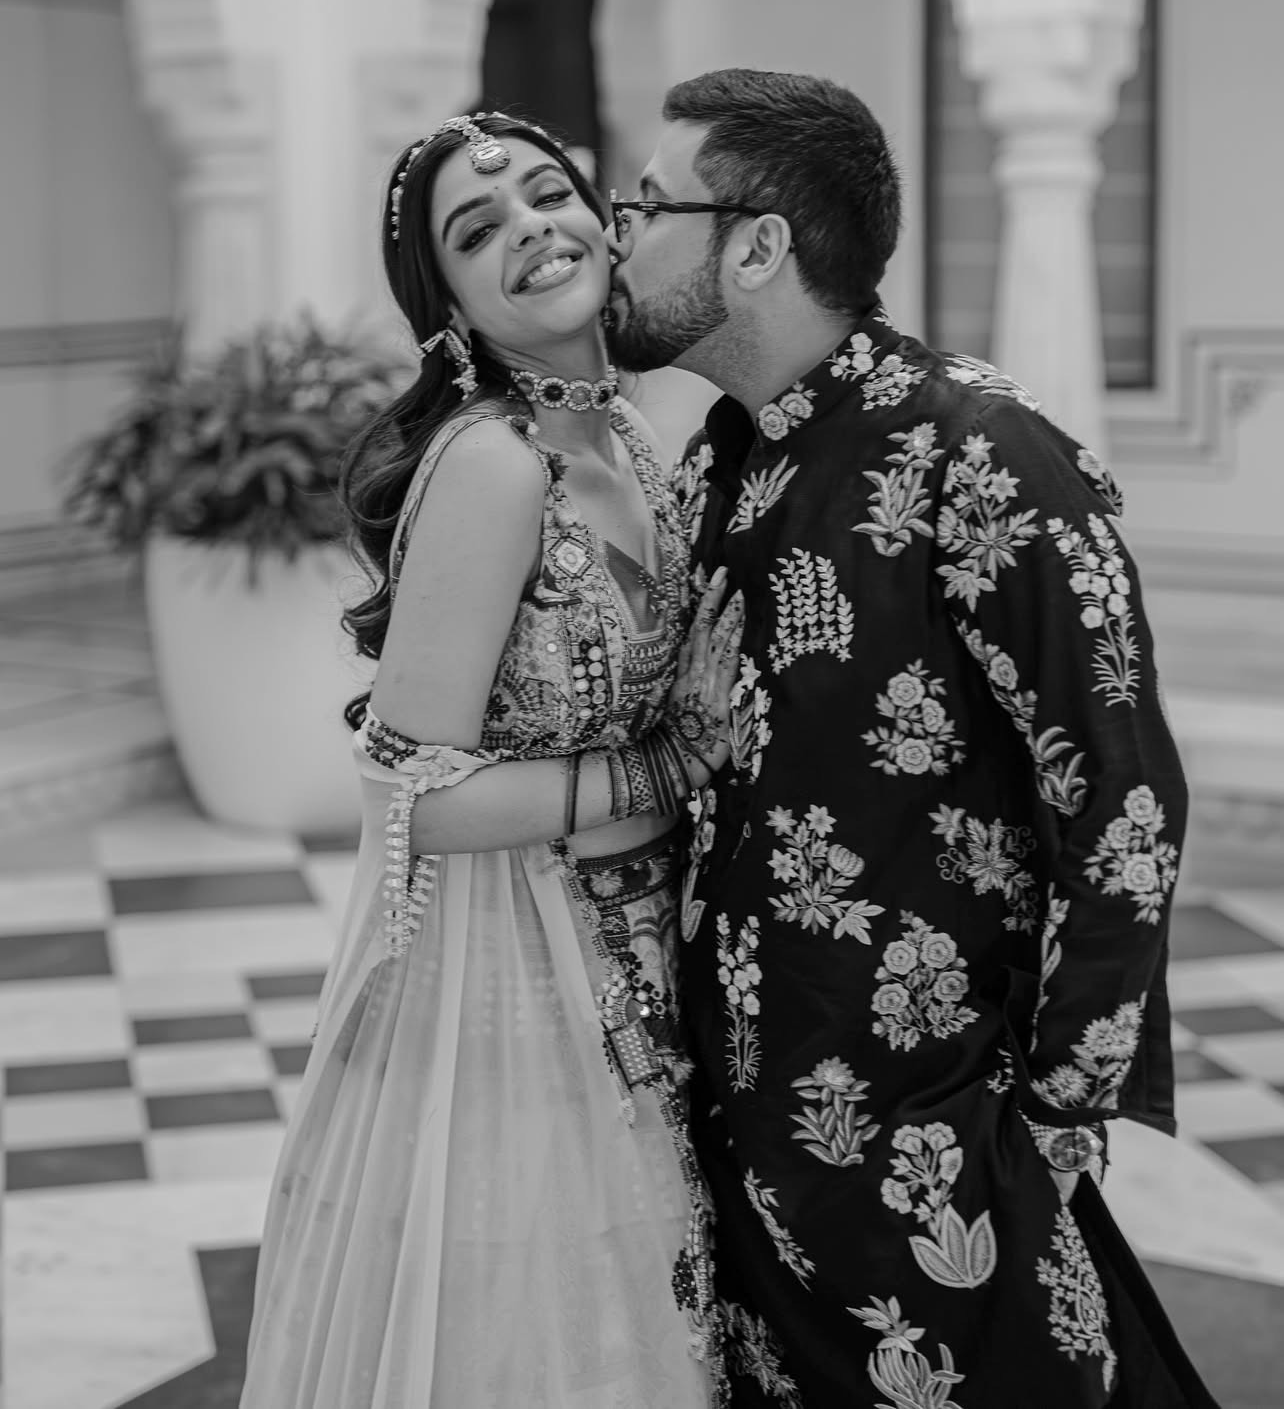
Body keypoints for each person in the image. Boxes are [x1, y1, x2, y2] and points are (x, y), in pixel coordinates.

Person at [607, 69, 1218, 1408]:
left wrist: (1053, 1123)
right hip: (748, 1133)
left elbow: (1123, 814)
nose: (616, 232)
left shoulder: (984, 457)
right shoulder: (718, 462)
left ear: (756, 244)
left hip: (938, 1140)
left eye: (649, 204)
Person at [239, 111, 743, 1408]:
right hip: (514, 974)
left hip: (636, 965)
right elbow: (413, 792)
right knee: (529, 1326)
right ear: (449, 305)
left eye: (546, 193)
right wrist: (664, 772)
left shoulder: (627, 436)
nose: (529, 227)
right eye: (479, 229)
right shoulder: (490, 465)